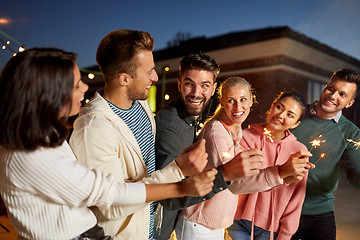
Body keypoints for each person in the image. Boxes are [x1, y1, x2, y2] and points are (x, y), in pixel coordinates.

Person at [0, 48, 216, 240]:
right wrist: (179, 184)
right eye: (76, 84)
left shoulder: (41, 137)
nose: (85, 86)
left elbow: (97, 189)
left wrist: (122, 187)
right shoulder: (29, 153)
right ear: (47, 95)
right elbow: (107, 195)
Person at [69, 30, 216, 240]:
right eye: (149, 72)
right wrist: (178, 170)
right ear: (124, 79)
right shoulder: (93, 129)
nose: (155, 77)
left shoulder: (141, 104)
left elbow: (143, 177)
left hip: (150, 229)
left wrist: (133, 186)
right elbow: (112, 204)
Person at [175, 79, 312, 240]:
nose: (238, 107)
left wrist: (285, 177)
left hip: (216, 221)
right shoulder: (219, 132)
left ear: (251, 101)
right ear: (222, 102)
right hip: (202, 220)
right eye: (231, 100)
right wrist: (281, 172)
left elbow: (295, 198)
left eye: (243, 100)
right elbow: (232, 182)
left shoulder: (236, 131)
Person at [154, 54, 264, 239]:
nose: (197, 93)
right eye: (189, 84)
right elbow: (166, 195)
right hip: (160, 230)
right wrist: (225, 175)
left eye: (204, 85)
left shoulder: (194, 119)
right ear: (179, 84)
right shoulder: (172, 129)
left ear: (213, 89)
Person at [227, 91, 313, 240]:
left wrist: (286, 233)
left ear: (296, 124)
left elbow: (296, 198)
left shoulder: (300, 151)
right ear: (272, 106)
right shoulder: (245, 137)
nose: (280, 115)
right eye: (279, 107)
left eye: (290, 115)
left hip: (271, 228)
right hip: (237, 220)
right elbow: (238, 182)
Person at [290, 69, 360, 240]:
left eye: (342, 94)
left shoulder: (351, 132)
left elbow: (356, 174)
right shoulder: (295, 115)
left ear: (349, 103)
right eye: (331, 88)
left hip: (319, 214)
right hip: (281, 208)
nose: (333, 95)